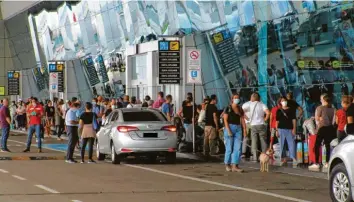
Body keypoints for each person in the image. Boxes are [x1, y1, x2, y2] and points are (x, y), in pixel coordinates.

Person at [309, 94, 336, 171]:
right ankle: (327, 162)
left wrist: (319, 119)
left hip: (322, 128)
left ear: (324, 100)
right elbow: (334, 121)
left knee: (317, 145)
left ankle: (317, 163)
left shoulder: (320, 108)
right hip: (330, 128)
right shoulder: (333, 109)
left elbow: (317, 119)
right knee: (327, 145)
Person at [242, 92, 270, 161]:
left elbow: (242, 111)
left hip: (253, 125)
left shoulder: (250, 104)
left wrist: (247, 118)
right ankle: (264, 156)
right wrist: (265, 119)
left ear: (252, 98)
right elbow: (268, 113)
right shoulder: (262, 104)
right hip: (261, 124)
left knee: (254, 141)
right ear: (259, 98)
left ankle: (255, 156)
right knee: (263, 140)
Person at [223, 94, 247, 172]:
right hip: (229, 127)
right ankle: (227, 164)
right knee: (229, 147)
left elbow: (242, 119)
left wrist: (244, 130)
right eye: (235, 98)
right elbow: (225, 120)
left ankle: (235, 165)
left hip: (238, 128)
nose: (237, 99)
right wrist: (228, 130)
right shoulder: (228, 108)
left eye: (238, 98)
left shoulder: (240, 108)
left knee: (238, 148)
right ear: (232, 99)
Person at [276, 97, 297, 166]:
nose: (284, 102)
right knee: (282, 144)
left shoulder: (291, 110)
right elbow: (277, 121)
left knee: (291, 143)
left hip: (289, 129)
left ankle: (292, 157)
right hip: (280, 129)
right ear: (280, 102)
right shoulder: (278, 111)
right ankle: (283, 158)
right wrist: (276, 130)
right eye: (282, 101)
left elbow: (294, 120)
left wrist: (294, 128)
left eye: (285, 100)